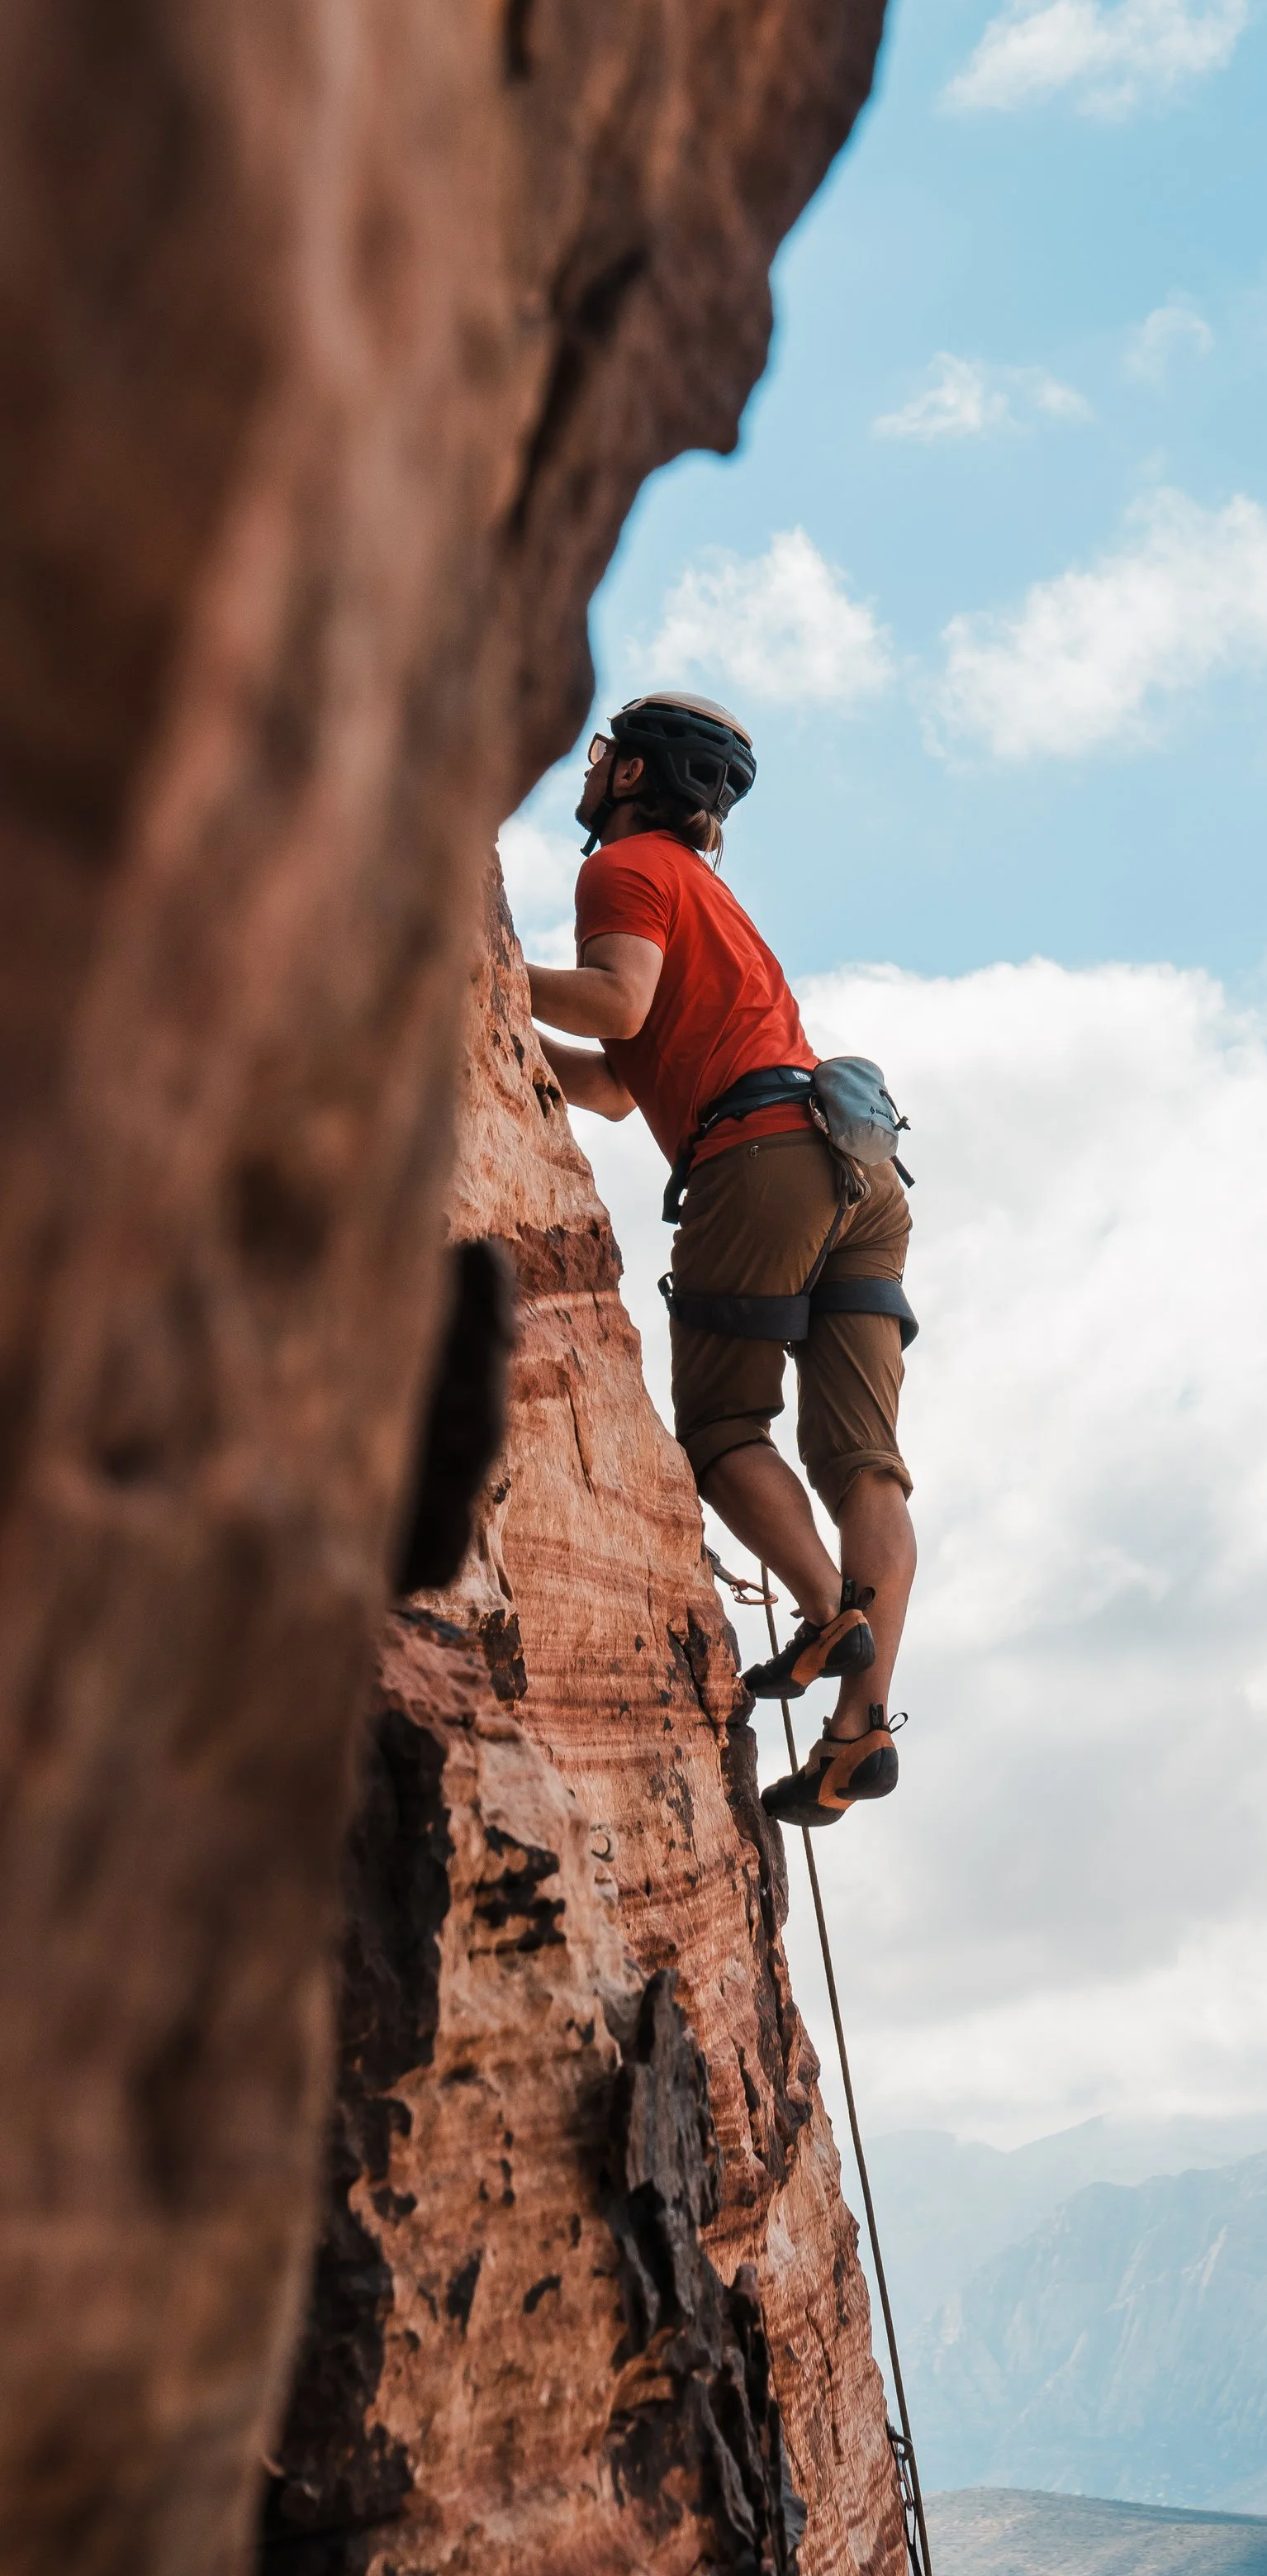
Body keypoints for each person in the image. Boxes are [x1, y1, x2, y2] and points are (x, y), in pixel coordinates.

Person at [523, 692, 916, 1829]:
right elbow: (611, 1079)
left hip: (761, 1161)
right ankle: (859, 1734)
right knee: (868, 1471)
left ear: (638, 775)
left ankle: (823, 1610)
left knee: (726, 1430)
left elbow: (614, 999)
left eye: (606, 758)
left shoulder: (627, 866)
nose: (592, 773)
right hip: (861, 1168)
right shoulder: (710, 894)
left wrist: (484, 950)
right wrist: (492, 1005)